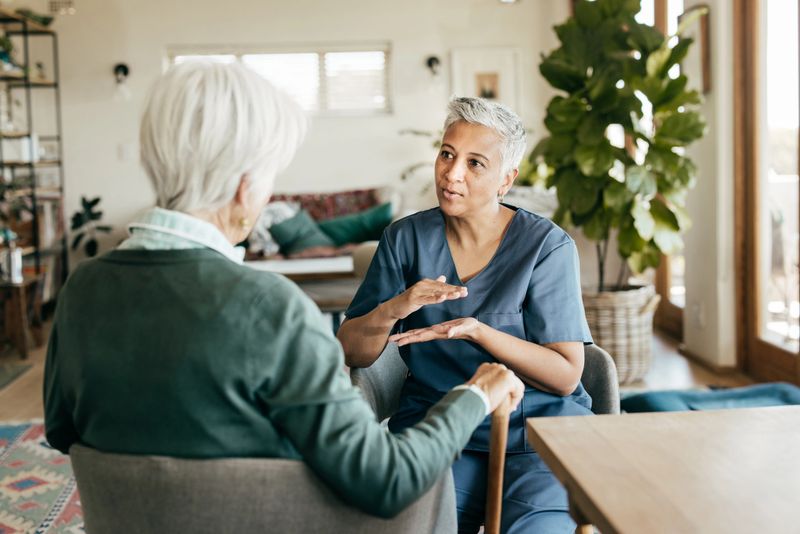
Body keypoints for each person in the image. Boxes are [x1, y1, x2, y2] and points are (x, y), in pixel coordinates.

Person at [43, 62, 525, 519]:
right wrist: (475, 395)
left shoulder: (82, 288)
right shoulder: (271, 308)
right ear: (245, 187)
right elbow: (388, 480)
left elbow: (64, 431)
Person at [338, 96, 593, 533]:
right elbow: (352, 350)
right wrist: (397, 307)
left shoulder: (547, 247)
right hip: (439, 430)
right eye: (447, 154)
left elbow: (567, 375)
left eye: (475, 164)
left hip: (539, 436)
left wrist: (477, 331)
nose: (452, 174)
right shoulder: (405, 239)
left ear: (506, 180)